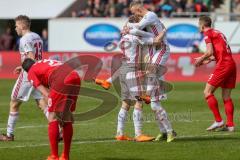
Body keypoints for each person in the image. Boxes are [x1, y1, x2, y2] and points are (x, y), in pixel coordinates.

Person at [127, 1, 176, 142]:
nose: (135, 15)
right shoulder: (140, 34)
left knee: (153, 102)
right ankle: (165, 131)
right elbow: (147, 33)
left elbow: (138, 28)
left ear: (138, 9)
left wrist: (127, 27)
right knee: (155, 105)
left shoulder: (149, 17)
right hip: (153, 60)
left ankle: (170, 131)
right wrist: (161, 34)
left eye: (134, 12)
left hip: (160, 54)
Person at [0, 15, 48, 141]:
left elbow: (31, 58)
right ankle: (58, 128)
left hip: (29, 75)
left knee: (14, 102)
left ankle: (9, 135)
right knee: (41, 103)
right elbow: (36, 58)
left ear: (22, 25)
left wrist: (24, 68)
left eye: (16, 26)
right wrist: (21, 66)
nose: (15, 28)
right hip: (38, 73)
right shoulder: (37, 36)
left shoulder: (24, 39)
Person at [22, 58, 81, 160]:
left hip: (61, 79)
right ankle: (65, 156)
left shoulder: (31, 72)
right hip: (75, 76)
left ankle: (54, 156)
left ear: (26, 70)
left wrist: (51, 101)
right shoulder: (43, 62)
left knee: (52, 118)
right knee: (66, 119)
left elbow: (44, 91)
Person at [194, 16, 236, 132]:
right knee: (226, 97)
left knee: (207, 92)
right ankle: (230, 125)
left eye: (199, 25)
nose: (199, 27)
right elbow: (221, 51)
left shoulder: (207, 34)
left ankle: (218, 121)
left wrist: (201, 59)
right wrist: (211, 59)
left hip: (223, 65)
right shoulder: (218, 32)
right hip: (231, 64)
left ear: (202, 25)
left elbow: (209, 51)